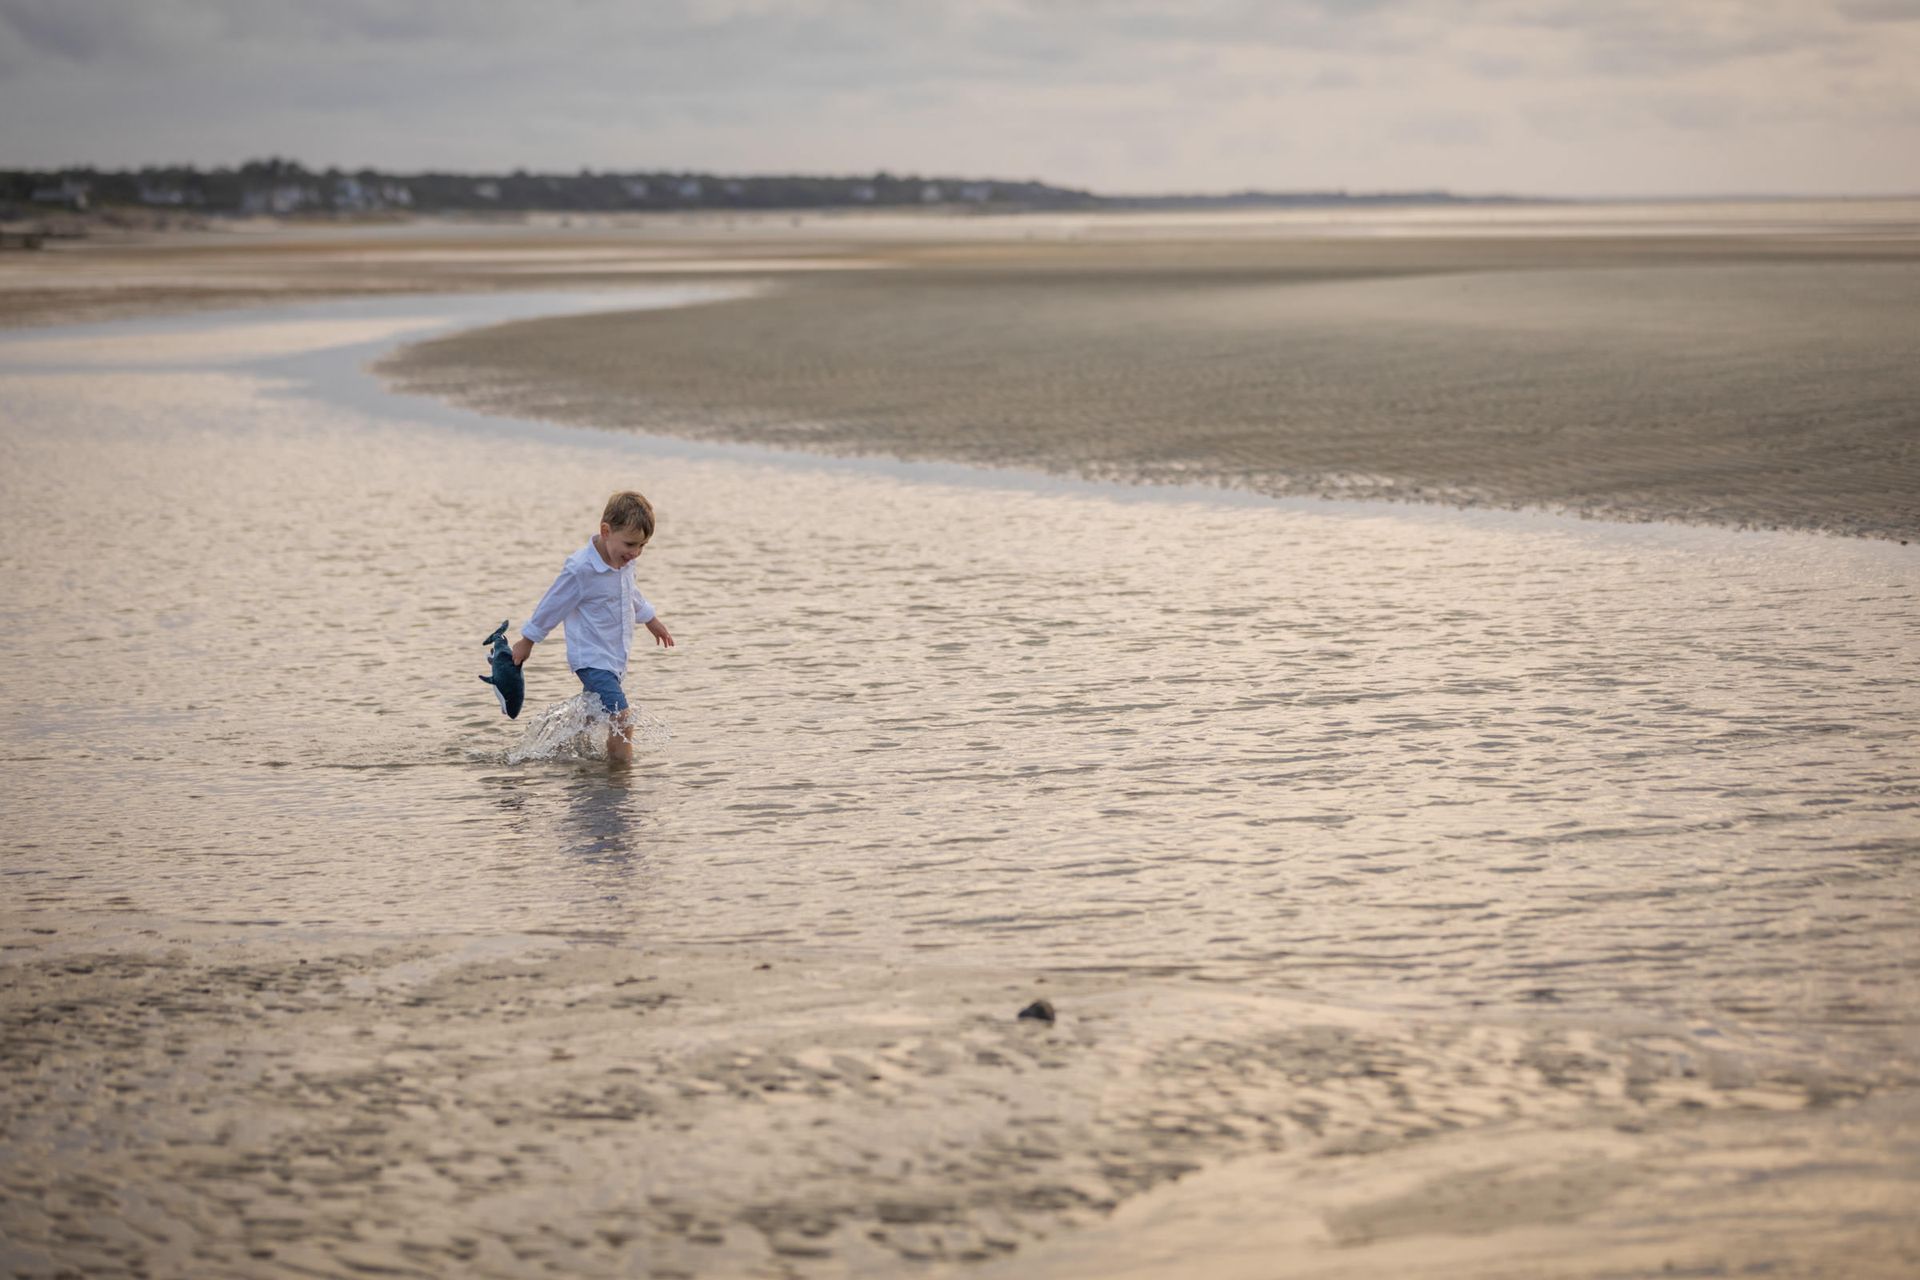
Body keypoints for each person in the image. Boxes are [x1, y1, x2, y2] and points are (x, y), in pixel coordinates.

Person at [510, 491, 674, 764]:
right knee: (622, 718)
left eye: (643, 546)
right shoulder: (581, 569)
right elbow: (553, 604)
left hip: (614, 656)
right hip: (591, 659)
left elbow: (630, 592)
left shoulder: (623, 562)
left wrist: (650, 620)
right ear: (606, 531)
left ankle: (556, 753)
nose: (635, 553)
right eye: (631, 544)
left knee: (591, 714)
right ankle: (620, 777)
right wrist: (528, 640)